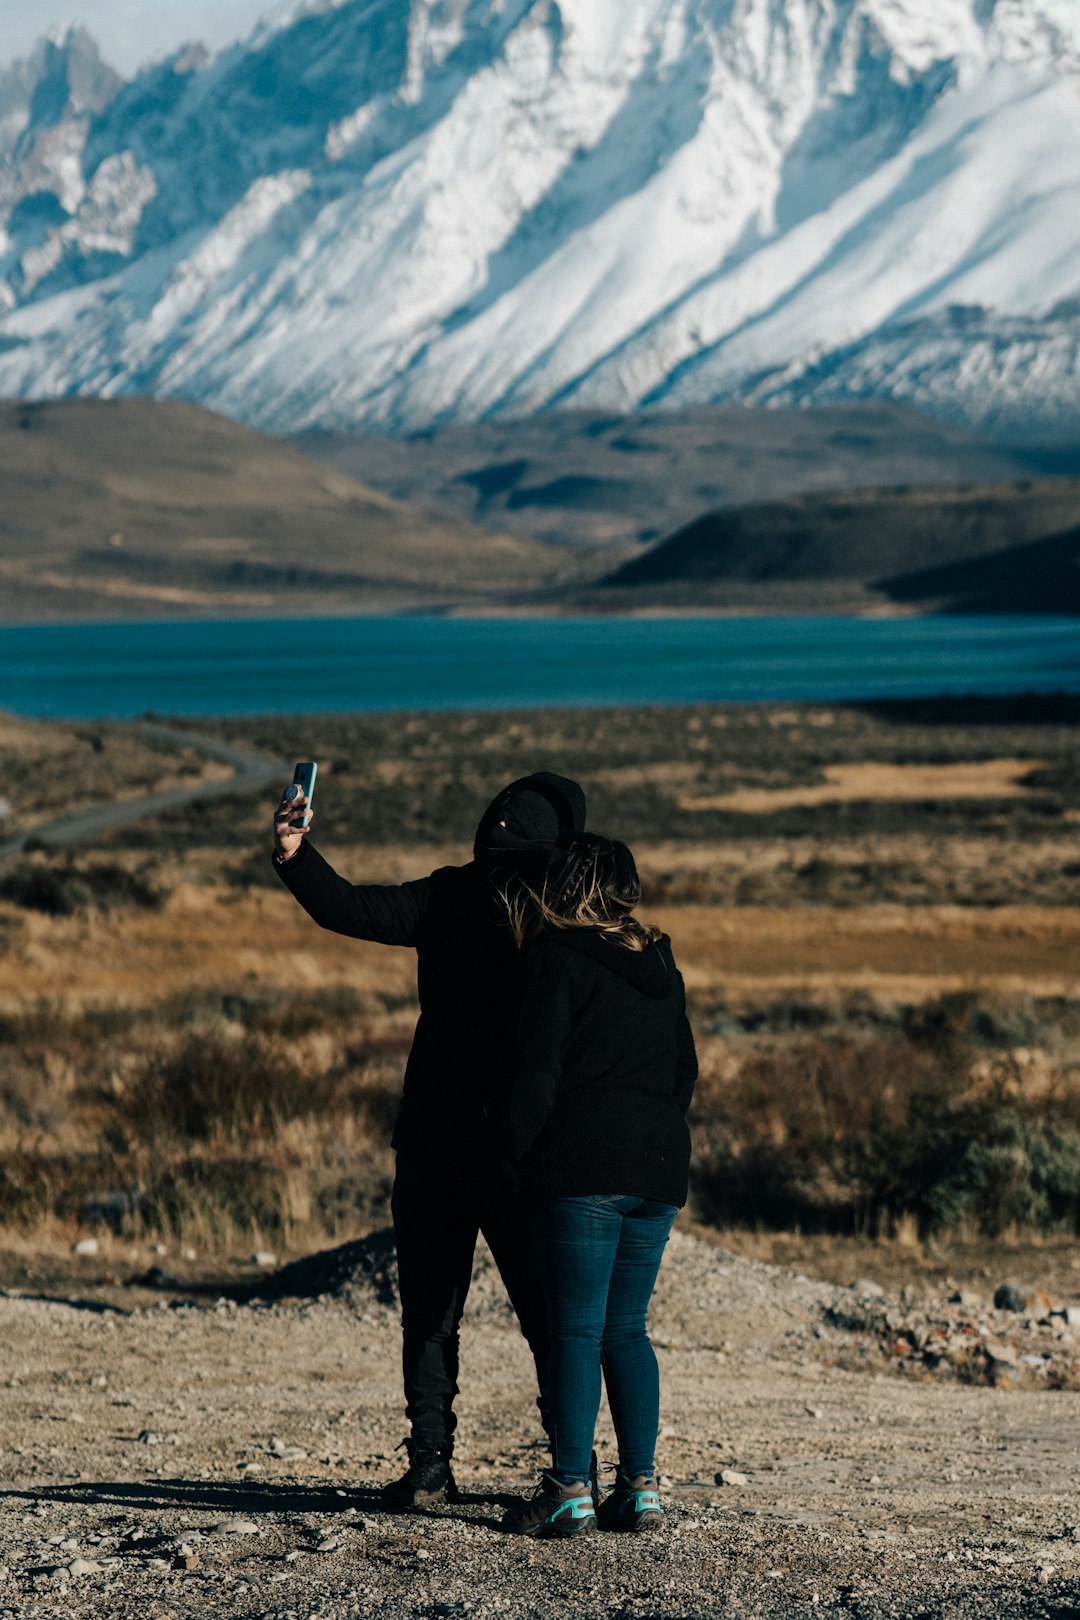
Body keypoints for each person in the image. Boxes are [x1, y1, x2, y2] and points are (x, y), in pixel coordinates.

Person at [272, 768, 587, 1509]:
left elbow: (349, 907)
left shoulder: (451, 892)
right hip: (514, 1145)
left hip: (439, 1139)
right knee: (541, 1314)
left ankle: (431, 1466)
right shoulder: (555, 912)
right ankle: (571, 1467)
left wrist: (295, 854)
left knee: (431, 1311)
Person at [492, 834, 697, 1538]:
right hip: (659, 1167)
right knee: (626, 1328)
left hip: (584, 1165)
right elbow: (684, 1074)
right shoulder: (660, 962)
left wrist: (510, 1153)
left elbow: (536, 1076)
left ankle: (568, 1490)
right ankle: (640, 1490)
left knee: (574, 1329)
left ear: (564, 889)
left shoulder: (553, 960)